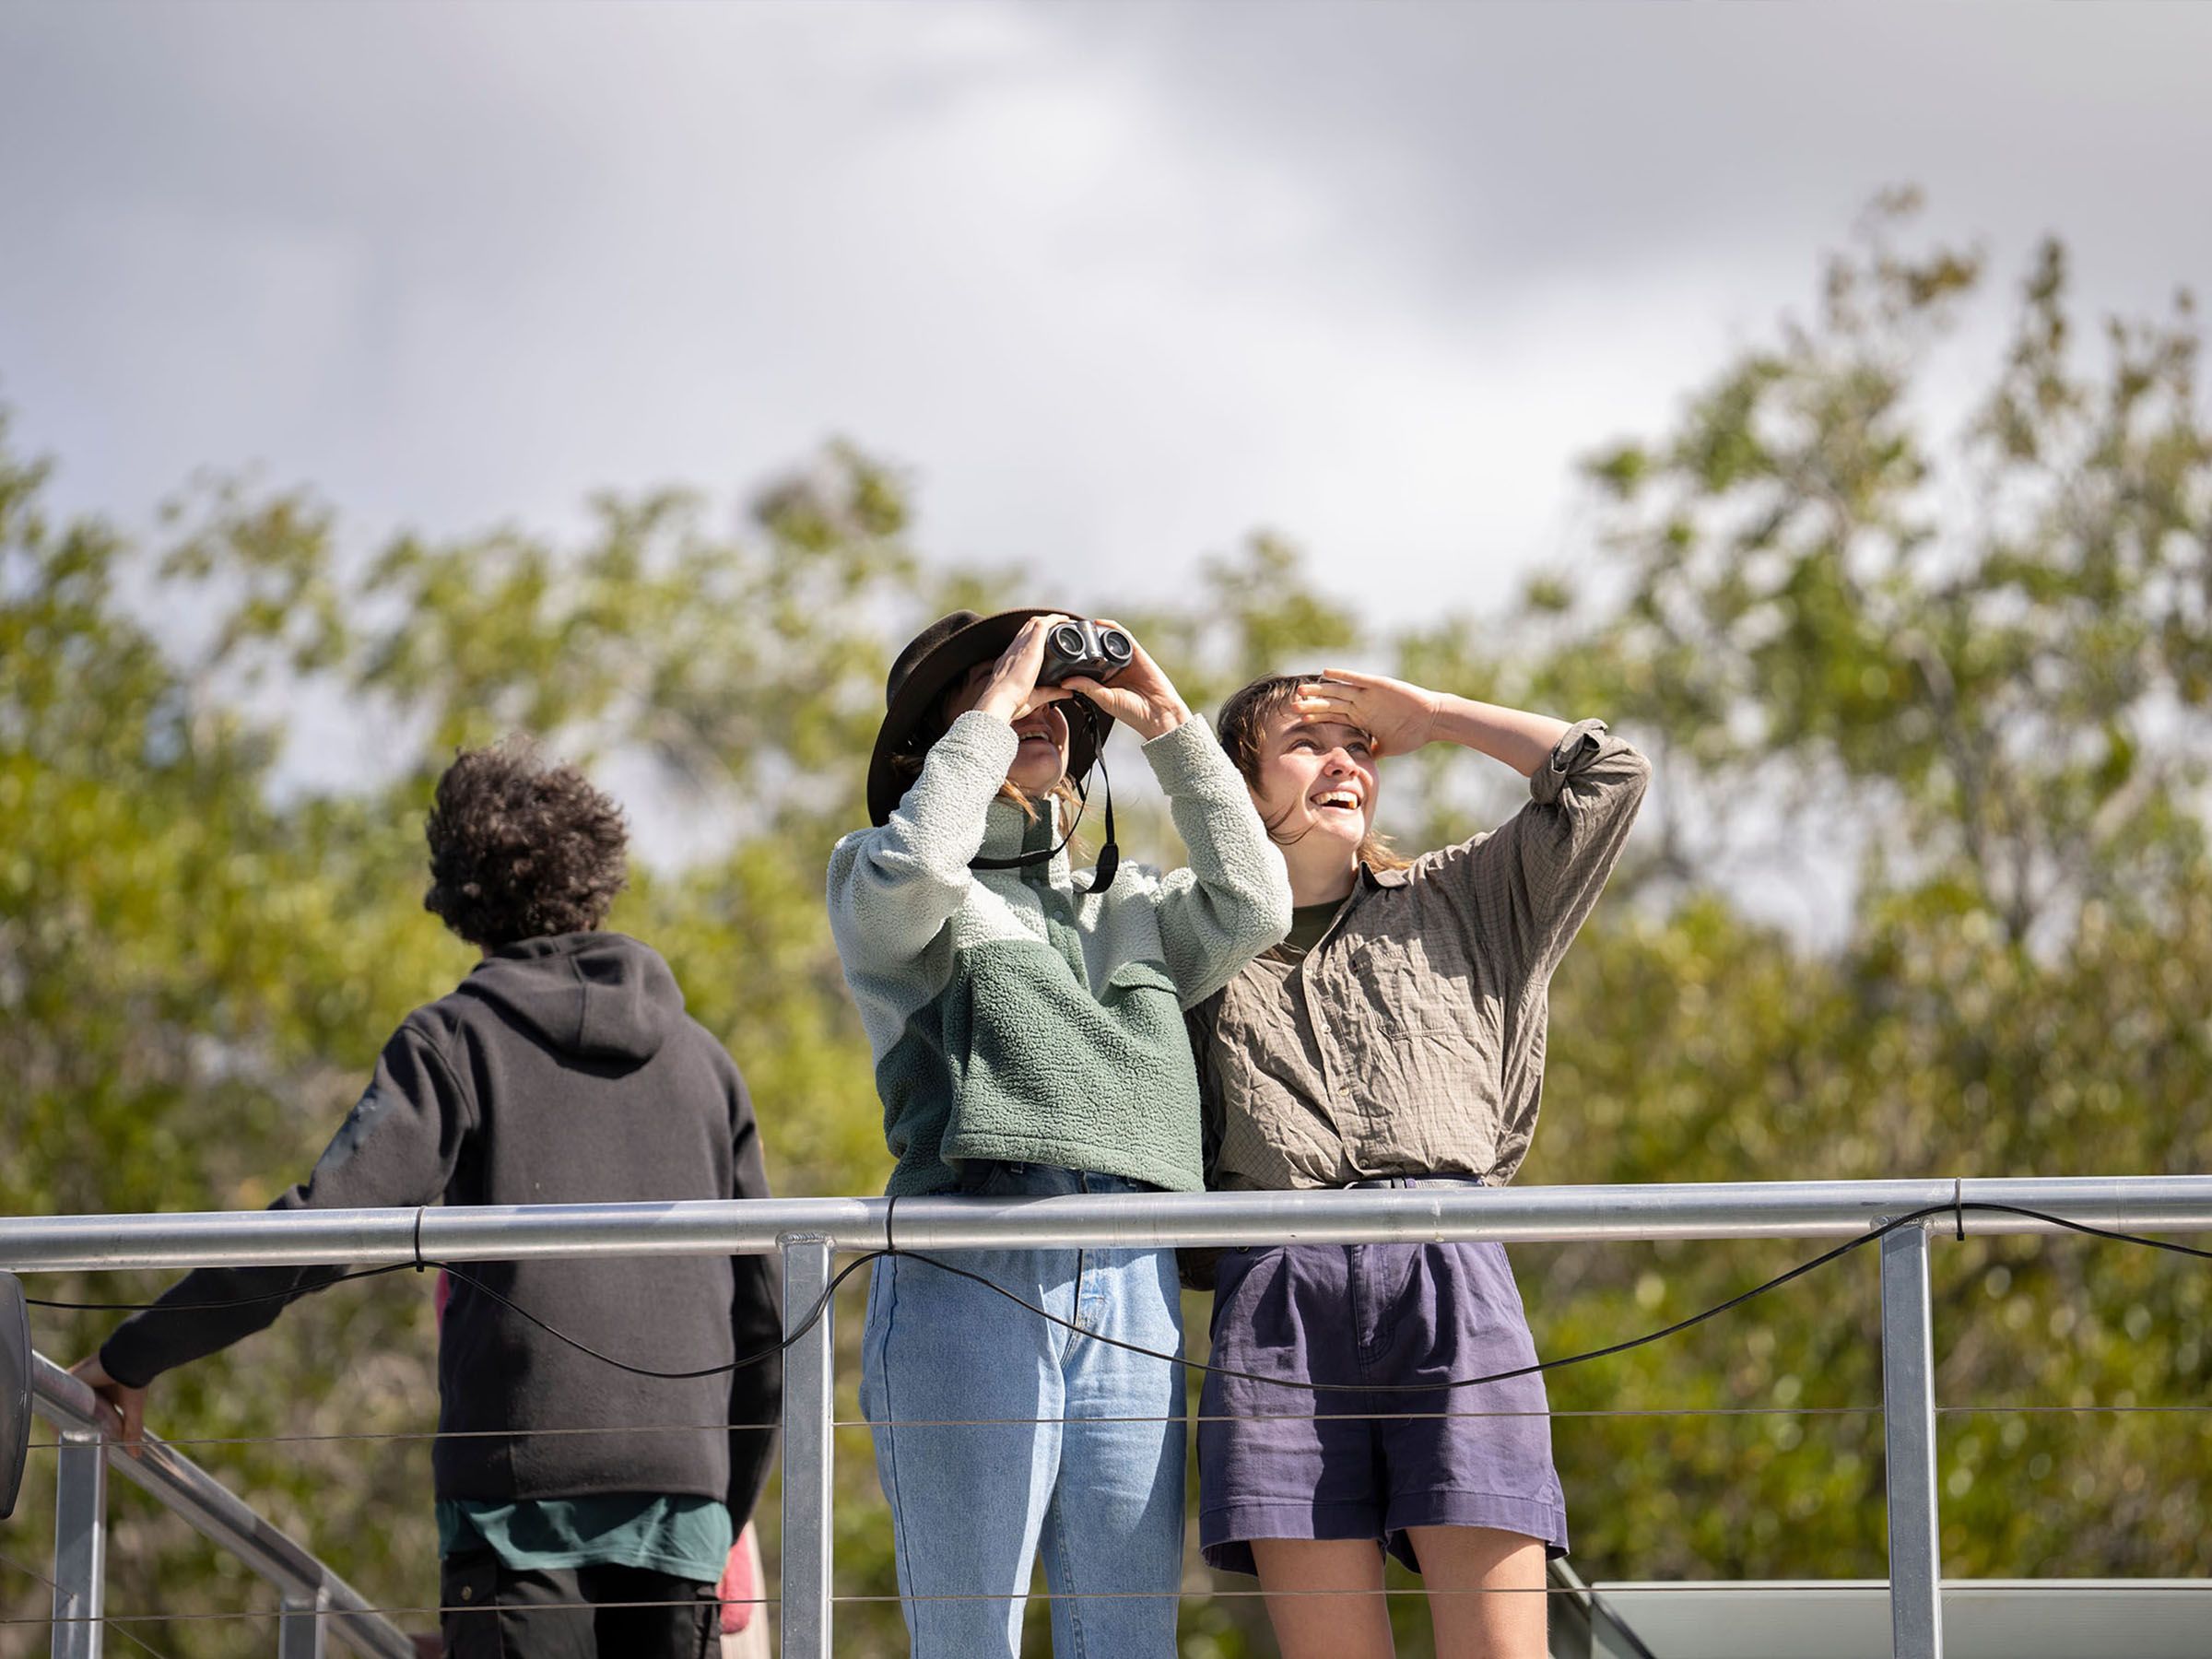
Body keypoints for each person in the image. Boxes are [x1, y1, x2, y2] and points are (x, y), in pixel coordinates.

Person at [71, 737, 783, 1659]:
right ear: (601, 872)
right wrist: (720, 1501)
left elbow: (322, 1230)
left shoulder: (456, 1041)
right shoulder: (706, 1067)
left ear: (458, 893)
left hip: (518, 1502)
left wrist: (135, 1352)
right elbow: (763, 1318)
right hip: (680, 1506)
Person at [827, 608, 1291, 1657]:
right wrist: (997, 707)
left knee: (1128, 1639)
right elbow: (918, 873)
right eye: (1000, 685)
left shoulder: (1128, 903)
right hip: (971, 1256)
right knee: (969, 1636)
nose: (1038, 704)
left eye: (1054, 696)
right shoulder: (882, 876)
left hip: (1133, 1269)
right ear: (941, 740)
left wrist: (1169, 724)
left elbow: (1257, 903)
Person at [1188, 667, 1650, 1659]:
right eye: (1306, 745)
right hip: (1277, 1304)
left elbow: (1609, 775)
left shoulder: (1465, 898)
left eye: (1358, 747)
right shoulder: (1194, 945)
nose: (1344, 764)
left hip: (1452, 1276)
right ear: (1238, 784)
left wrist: (1434, 718)